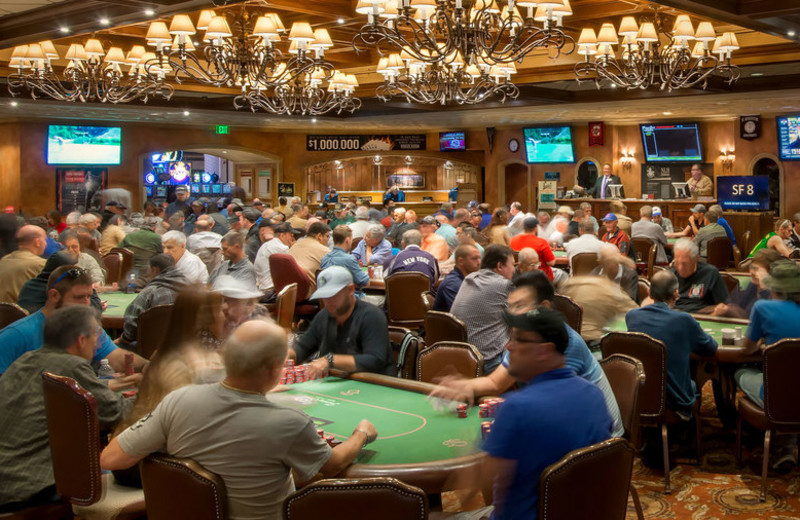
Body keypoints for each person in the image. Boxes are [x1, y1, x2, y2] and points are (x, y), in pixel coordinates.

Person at [101, 319, 377, 519]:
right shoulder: (289, 422)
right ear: (274, 370)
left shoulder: (177, 401)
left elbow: (110, 458)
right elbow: (333, 465)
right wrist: (361, 434)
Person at [430, 271, 623, 435]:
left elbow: (557, 409)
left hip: (600, 441)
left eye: (520, 306)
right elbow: (495, 383)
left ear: (545, 308)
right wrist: (463, 386)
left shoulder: (563, 343)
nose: (512, 313)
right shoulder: (524, 340)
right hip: (567, 423)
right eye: (510, 306)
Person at [476, 307, 612, 519]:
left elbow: (477, 484)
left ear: (544, 351)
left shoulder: (516, 409)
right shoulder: (594, 396)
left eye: (518, 339)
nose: (508, 346)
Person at [0, 306, 131, 511]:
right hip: (28, 488)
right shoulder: (71, 365)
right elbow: (117, 412)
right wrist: (154, 392)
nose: (98, 344)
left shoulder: (25, 360)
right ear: (81, 340)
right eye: (96, 336)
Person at [0, 265, 146, 377]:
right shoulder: (16, 335)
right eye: (79, 297)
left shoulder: (87, 327)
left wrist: (148, 367)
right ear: (54, 295)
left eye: (89, 296)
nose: (86, 304)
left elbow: (117, 359)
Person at [731, 260, 800, 468]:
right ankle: (787, 445)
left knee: (740, 373)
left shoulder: (763, 307)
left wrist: (764, 346)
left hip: (774, 397)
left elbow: (747, 350)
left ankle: (753, 436)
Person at [627, 270, 717, 418]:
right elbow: (711, 348)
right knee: (694, 382)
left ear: (649, 292)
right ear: (676, 294)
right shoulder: (684, 320)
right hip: (676, 401)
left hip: (640, 394)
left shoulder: (631, 316)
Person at [291, 267, 394, 377]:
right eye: (324, 296)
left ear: (351, 289)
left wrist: (330, 360)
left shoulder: (372, 316)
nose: (327, 301)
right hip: (338, 383)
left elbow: (375, 360)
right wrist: (283, 357)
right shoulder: (324, 315)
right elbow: (303, 348)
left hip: (375, 384)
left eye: (333, 295)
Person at [450, 245, 515, 373]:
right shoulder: (504, 285)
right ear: (500, 266)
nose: (514, 269)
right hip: (488, 361)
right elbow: (525, 321)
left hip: (460, 357)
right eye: (512, 265)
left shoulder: (469, 278)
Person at [119, 254, 188, 346]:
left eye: (148, 270)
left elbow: (131, 329)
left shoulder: (149, 293)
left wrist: (121, 340)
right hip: (187, 350)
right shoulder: (192, 290)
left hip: (152, 352)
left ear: (155, 270)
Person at [560, 275, 637, 348]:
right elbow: (635, 312)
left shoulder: (568, 284)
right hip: (591, 341)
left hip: (564, 340)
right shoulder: (608, 287)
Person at [712, 248, 779, 319]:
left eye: (756, 269)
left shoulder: (778, 294)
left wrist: (764, 288)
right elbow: (733, 304)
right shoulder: (752, 285)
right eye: (751, 267)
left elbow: (761, 317)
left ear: (771, 273)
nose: (751, 272)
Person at [671, 238, 728, 313]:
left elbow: (724, 305)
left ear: (695, 259)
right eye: (677, 263)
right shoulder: (670, 275)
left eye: (685, 263)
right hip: (675, 316)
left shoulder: (710, 273)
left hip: (702, 317)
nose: (680, 268)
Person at [0, 225, 46, 303]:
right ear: (37, 242)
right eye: (45, 240)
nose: (45, 244)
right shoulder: (41, 264)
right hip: (23, 313)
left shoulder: (4, 260)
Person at [320, 226, 369, 296]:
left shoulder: (325, 258)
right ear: (348, 240)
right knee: (381, 300)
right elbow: (366, 283)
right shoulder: (349, 259)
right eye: (352, 239)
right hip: (349, 301)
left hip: (328, 299)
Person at [288, 222, 332, 299]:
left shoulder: (294, 246)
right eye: (327, 236)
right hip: (310, 294)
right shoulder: (324, 250)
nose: (328, 240)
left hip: (290, 293)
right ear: (319, 236)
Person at [433, 244, 481, 312]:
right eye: (474, 258)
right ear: (461, 261)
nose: (479, 262)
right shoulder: (452, 283)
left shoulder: (469, 279)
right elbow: (461, 313)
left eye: (479, 258)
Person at [254, 223, 295, 296]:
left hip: (261, 288)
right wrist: (294, 247)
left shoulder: (266, 244)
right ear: (282, 235)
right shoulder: (281, 248)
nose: (293, 238)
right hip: (271, 291)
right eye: (291, 235)